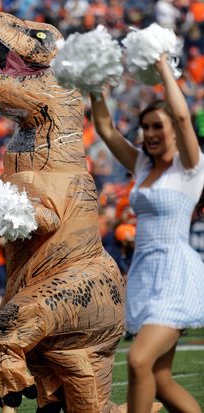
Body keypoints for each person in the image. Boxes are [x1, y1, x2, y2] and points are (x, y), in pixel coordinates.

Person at [90, 53, 204, 413]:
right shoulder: (141, 163)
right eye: (146, 127)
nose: (151, 134)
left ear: (175, 131)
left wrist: (163, 70)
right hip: (144, 273)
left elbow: (184, 116)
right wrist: (93, 85)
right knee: (162, 379)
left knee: (139, 360)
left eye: (159, 126)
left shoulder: (190, 168)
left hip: (175, 274)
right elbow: (106, 130)